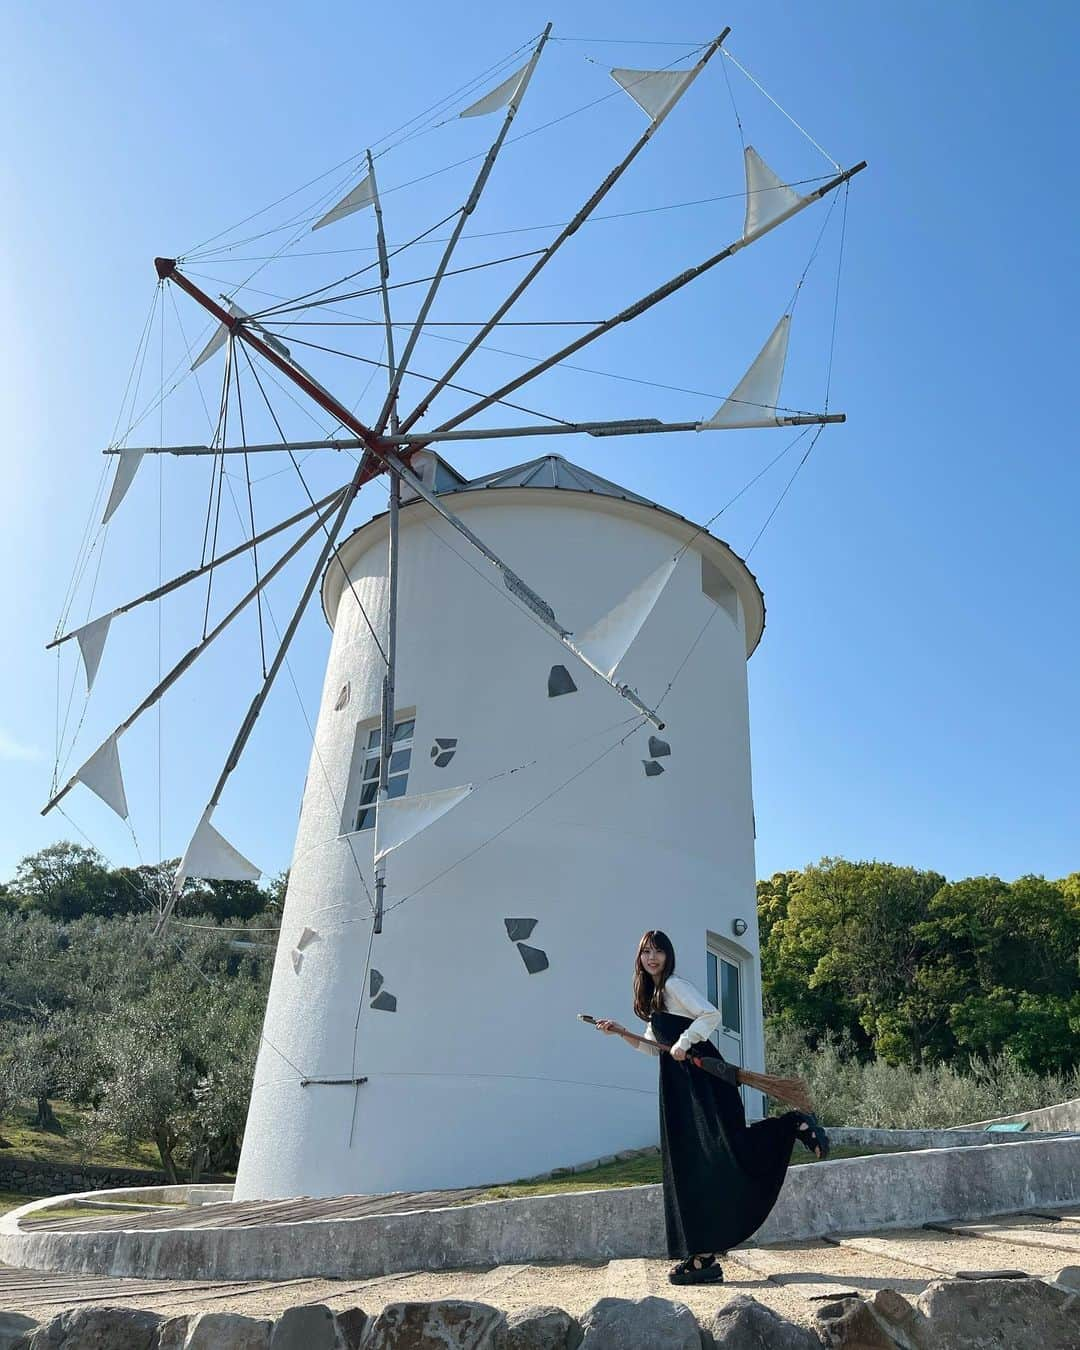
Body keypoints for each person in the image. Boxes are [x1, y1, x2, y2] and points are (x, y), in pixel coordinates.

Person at [596, 929, 828, 1285]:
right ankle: (702, 1255)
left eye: (658, 951)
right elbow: (649, 1048)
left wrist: (685, 1042)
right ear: (639, 959)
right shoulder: (654, 1000)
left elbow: (711, 1014)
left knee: (724, 1149)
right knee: (693, 1162)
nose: (652, 957)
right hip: (681, 1089)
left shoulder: (674, 985)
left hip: (703, 1078)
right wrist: (621, 1032)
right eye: (646, 952)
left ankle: (793, 1124)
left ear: (667, 956)